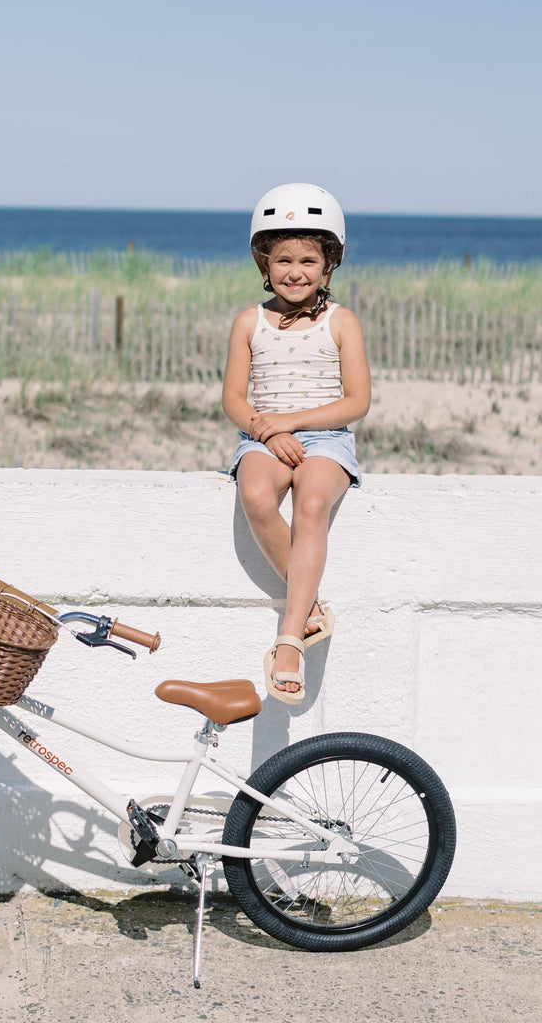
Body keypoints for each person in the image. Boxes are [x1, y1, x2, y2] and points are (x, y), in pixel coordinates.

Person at [221, 183, 371, 704]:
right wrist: (270, 430)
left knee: (311, 502)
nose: (295, 271)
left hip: (326, 439)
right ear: (264, 261)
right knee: (258, 496)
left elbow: (356, 401)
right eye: (283, 258)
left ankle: (290, 639)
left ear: (329, 262)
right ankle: (308, 608)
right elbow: (234, 400)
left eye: (309, 258)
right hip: (265, 438)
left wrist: (293, 422)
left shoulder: (342, 322)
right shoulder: (249, 322)